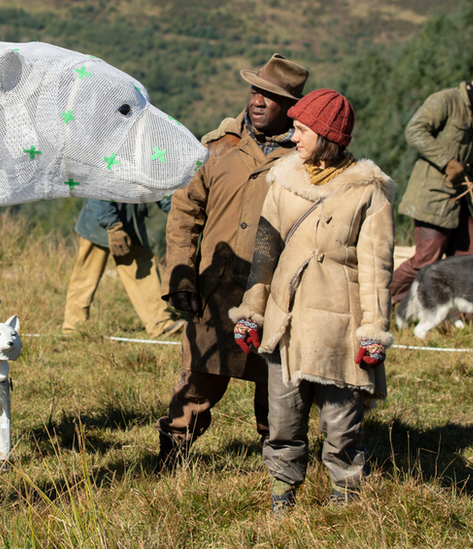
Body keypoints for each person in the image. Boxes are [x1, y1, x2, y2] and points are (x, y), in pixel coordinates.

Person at [230, 89, 395, 512]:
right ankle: (282, 498)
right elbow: (264, 255)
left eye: (302, 130)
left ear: (326, 135)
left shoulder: (368, 192)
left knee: (341, 424)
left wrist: (373, 331)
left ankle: (345, 500)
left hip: (341, 323)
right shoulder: (284, 180)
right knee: (283, 419)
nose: (293, 136)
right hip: (285, 320)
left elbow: (378, 270)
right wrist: (251, 312)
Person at [156, 54, 309, 470]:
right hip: (216, 289)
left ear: (292, 107)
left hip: (277, 296)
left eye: (271, 96)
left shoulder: (307, 158)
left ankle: (282, 476)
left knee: (278, 388)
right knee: (197, 381)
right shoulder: (217, 148)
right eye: (256, 90)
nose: (258, 100)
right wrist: (182, 277)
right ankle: (170, 461)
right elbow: (185, 215)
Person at [390, 64, 473, 303]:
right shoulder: (446, 100)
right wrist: (447, 161)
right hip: (432, 198)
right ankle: (377, 302)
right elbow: (415, 131)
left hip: (462, 202)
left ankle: (465, 317)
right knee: (426, 261)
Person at [61, 198, 184, 339]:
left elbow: (161, 190)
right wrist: (112, 226)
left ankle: (160, 324)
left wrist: (181, 212)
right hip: (99, 223)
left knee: (144, 270)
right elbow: (97, 191)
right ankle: (73, 328)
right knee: (86, 276)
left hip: (132, 223)